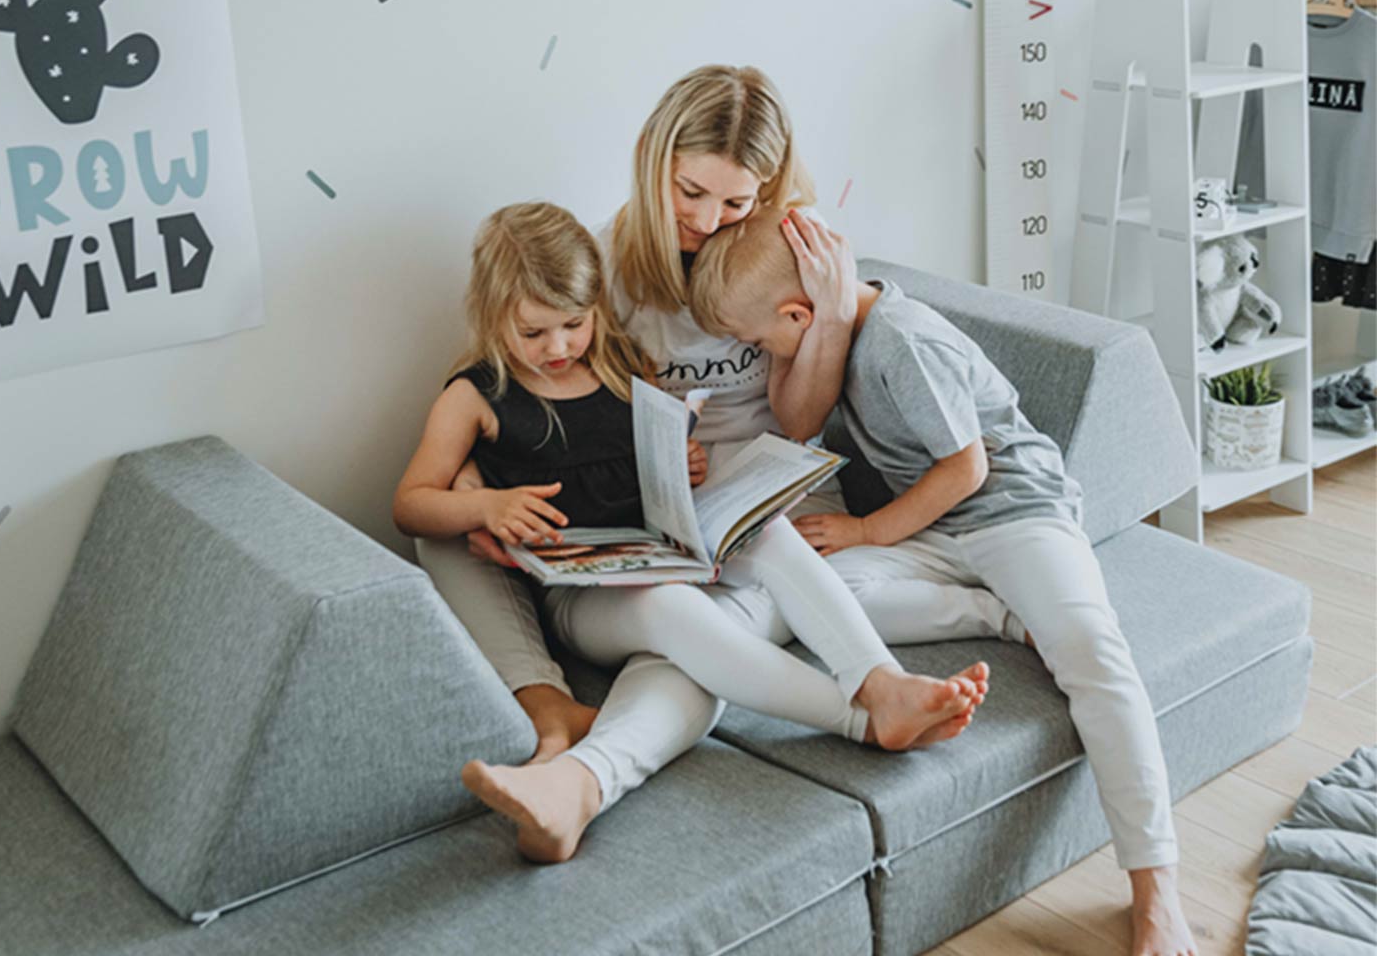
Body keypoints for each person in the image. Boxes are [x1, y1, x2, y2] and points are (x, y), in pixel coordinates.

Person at [393, 201, 988, 861]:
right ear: (489, 312)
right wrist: (485, 508)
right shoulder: (476, 396)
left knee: (765, 533)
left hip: (656, 549)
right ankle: (861, 719)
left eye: (573, 324)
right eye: (534, 332)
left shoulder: (620, 364)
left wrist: (683, 462)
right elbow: (411, 505)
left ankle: (878, 678)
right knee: (669, 608)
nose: (558, 347)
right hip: (584, 595)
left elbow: (659, 457)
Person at [685, 202, 1197, 956]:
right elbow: (800, 423)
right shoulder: (828, 337)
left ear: (796, 315)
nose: (757, 357)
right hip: (935, 530)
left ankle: (1157, 892)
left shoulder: (900, 342)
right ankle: (1004, 617)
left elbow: (969, 467)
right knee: (830, 601)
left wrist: (864, 530)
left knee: (1093, 650)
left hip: (1013, 513)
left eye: (759, 343)